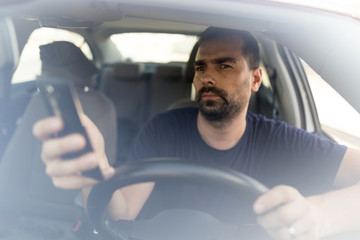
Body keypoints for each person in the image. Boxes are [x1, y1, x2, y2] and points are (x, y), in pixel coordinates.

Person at [33, 27, 360, 240]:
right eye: (202, 67)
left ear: (256, 79)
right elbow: (122, 211)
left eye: (225, 65)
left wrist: (319, 216)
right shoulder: (163, 128)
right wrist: (94, 170)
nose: (208, 77)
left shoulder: (284, 142)